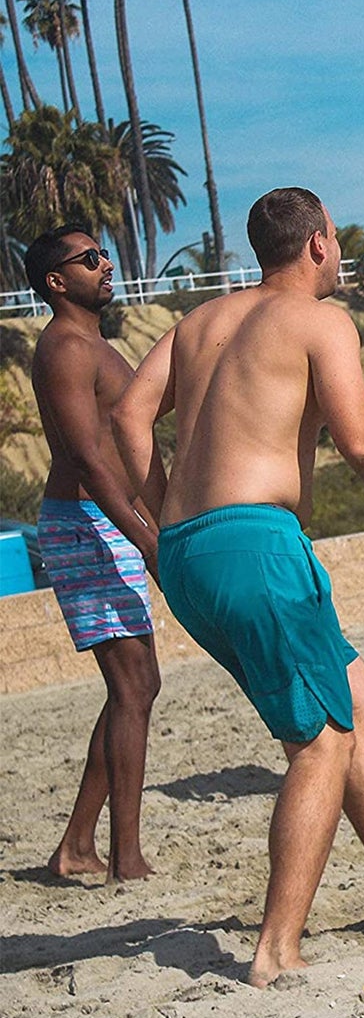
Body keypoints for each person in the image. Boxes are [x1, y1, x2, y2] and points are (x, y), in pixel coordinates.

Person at [112, 188, 364, 988]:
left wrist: (165, 506)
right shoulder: (320, 321)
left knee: (348, 689)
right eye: (336, 241)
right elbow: (360, 441)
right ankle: (277, 948)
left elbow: (128, 416)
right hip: (258, 544)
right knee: (320, 742)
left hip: (188, 553)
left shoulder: (198, 323)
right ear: (318, 244)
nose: (338, 254)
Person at [24, 228, 162, 881]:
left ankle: (78, 845)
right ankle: (123, 857)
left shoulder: (92, 344)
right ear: (56, 280)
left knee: (136, 686)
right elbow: (85, 456)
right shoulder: (65, 349)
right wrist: (143, 535)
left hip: (107, 520)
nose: (105, 264)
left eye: (104, 253)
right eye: (89, 259)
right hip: (86, 522)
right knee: (133, 686)